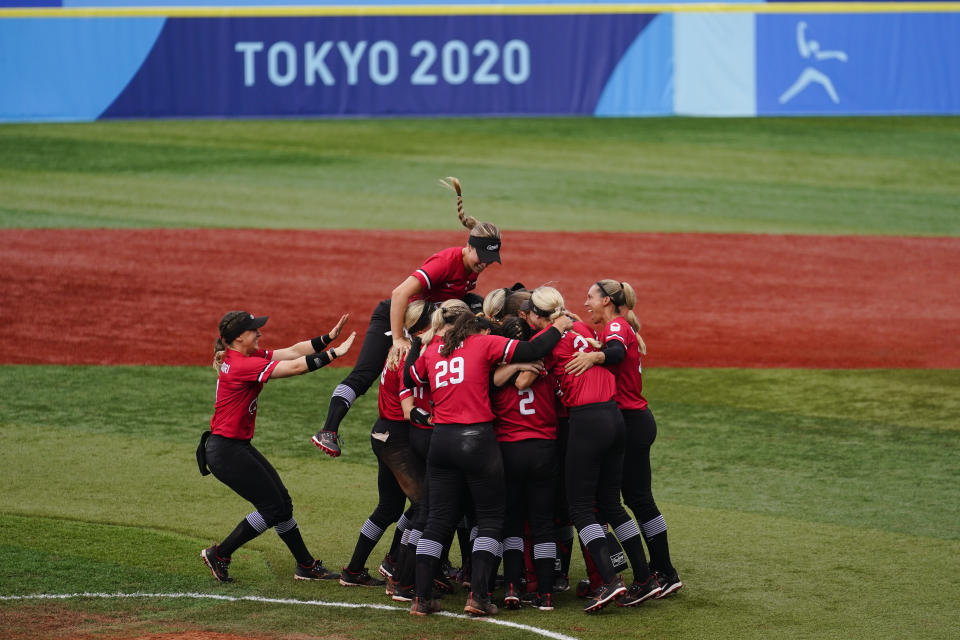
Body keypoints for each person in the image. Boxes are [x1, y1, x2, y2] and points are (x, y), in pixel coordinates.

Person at [313, 177, 501, 457]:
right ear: (469, 246)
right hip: (399, 316)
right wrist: (399, 336)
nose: (483, 264)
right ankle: (328, 430)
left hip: (425, 317)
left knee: (478, 304)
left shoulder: (473, 268)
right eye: (481, 256)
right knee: (365, 375)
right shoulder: (446, 262)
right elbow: (400, 293)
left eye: (489, 259)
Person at [403, 309, 573, 616]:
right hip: (477, 439)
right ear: (475, 330)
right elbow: (534, 350)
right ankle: (479, 596)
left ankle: (421, 597)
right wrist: (559, 326)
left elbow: (410, 378)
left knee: (438, 520)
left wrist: (414, 344)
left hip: (441, 440)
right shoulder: (484, 344)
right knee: (491, 519)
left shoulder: (434, 349)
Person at [524, 287, 660, 613]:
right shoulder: (582, 329)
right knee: (611, 504)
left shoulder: (547, 338)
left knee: (580, 507)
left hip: (587, 421)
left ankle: (610, 581)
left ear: (540, 317)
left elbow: (523, 372)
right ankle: (645, 577)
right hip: (615, 418)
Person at [199, 310, 355, 583]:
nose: (259, 333)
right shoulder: (241, 365)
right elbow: (295, 367)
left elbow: (293, 351)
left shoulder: (245, 357)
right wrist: (334, 354)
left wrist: (328, 338)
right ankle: (220, 554)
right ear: (238, 338)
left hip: (235, 447)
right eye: (253, 330)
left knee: (282, 503)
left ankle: (305, 565)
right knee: (272, 508)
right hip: (226, 452)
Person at [565, 280, 682, 598]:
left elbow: (615, 353)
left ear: (606, 300)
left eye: (590, 297)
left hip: (629, 421)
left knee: (625, 501)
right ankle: (654, 572)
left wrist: (594, 358)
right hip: (631, 421)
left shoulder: (617, 325)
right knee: (624, 501)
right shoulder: (615, 326)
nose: (586, 302)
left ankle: (659, 573)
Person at [491, 316, 559, 611]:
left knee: (512, 523)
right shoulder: (544, 364)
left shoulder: (494, 373)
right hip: (544, 450)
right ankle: (544, 594)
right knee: (543, 524)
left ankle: (511, 587)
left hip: (509, 452)